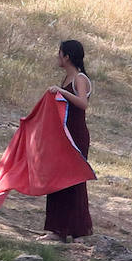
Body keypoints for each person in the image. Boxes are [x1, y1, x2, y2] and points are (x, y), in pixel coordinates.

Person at [40, 40, 94, 242]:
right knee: (58, 179)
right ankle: (57, 228)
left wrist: (61, 92)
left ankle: (74, 229)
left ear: (67, 56)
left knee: (73, 180)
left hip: (76, 135)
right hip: (64, 134)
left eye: (59, 53)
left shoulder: (79, 78)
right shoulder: (67, 77)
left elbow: (83, 103)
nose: (57, 56)